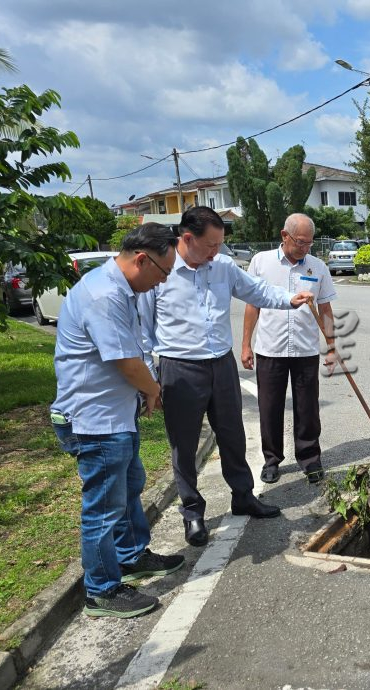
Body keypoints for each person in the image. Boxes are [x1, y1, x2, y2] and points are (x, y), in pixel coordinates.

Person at [138, 207, 312, 547]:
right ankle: (192, 512)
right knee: (184, 444)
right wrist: (149, 378)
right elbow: (142, 331)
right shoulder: (161, 271)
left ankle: (243, 496)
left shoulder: (222, 266)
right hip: (179, 367)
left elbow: (257, 290)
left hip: (221, 364)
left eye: (219, 245)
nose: (215, 252)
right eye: (210, 245)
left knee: (233, 435)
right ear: (187, 238)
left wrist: (289, 299)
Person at [51, 223, 184, 618]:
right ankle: (101, 591)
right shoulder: (105, 295)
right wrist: (153, 390)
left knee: (128, 489)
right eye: (163, 272)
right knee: (104, 509)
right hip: (95, 421)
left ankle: (130, 556)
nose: (163, 281)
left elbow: (134, 349)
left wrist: (145, 390)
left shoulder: (122, 289)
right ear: (142, 259)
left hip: (115, 415)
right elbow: (125, 361)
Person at [241, 214, 337, 485]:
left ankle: (310, 458)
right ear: (285, 236)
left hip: (305, 349)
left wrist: (332, 346)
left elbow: (326, 308)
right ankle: (271, 460)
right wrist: (246, 344)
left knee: (308, 408)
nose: (305, 248)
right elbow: (252, 305)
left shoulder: (318, 267)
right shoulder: (261, 262)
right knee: (269, 407)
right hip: (270, 348)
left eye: (309, 243)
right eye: (300, 242)